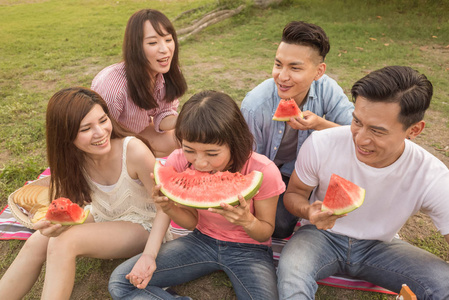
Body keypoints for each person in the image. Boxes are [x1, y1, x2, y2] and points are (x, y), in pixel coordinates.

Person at [277, 66, 449, 299]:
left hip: (381, 248)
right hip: (319, 237)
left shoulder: (431, 174)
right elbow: (294, 194)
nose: (360, 138)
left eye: (377, 131)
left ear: (414, 130)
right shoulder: (321, 143)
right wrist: (309, 210)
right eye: (357, 121)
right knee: (291, 276)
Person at [108, 90, 286, 300]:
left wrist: (247, 221)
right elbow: (192, 223)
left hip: (249, 250)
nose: (200, 163)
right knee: (121, 281)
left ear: (235, 142)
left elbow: (265, 233)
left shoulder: (263, 171)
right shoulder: (178, 162)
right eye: (189, 149)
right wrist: (167, 212)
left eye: (212, 154)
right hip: (201, 242)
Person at [0, 87, 171, 299]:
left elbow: (165, 207)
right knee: (38, 240)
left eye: (103, 120)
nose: (100, 132)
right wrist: (51, 226)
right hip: (103, 216)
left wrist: (149, 255)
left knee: (64, 242)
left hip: (144, 226)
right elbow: (69, 204)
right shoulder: (74, 158)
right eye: (86, 128)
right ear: (65, 135)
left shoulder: (134, 151)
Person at [241, 21, 354, 238]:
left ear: (318, 71)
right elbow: (249, 163)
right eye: (278, 65)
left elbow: (359, 134)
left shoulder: (328, 89)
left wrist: (320, 124)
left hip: (314, 173)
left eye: (295, 68)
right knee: (280, 226)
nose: (282, 76)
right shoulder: (255, 105)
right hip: (274, 175)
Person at [91, 9, 187, 158]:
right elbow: (100, 129)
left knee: (181, 141)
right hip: (109, 137)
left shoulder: (167, 72)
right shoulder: (113, 86)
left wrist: (187, 118)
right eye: (153, 42)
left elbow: (163, 114)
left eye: (168, 40)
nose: (164, 49)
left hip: (137, 131)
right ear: (136, 47)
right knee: (139, 155)